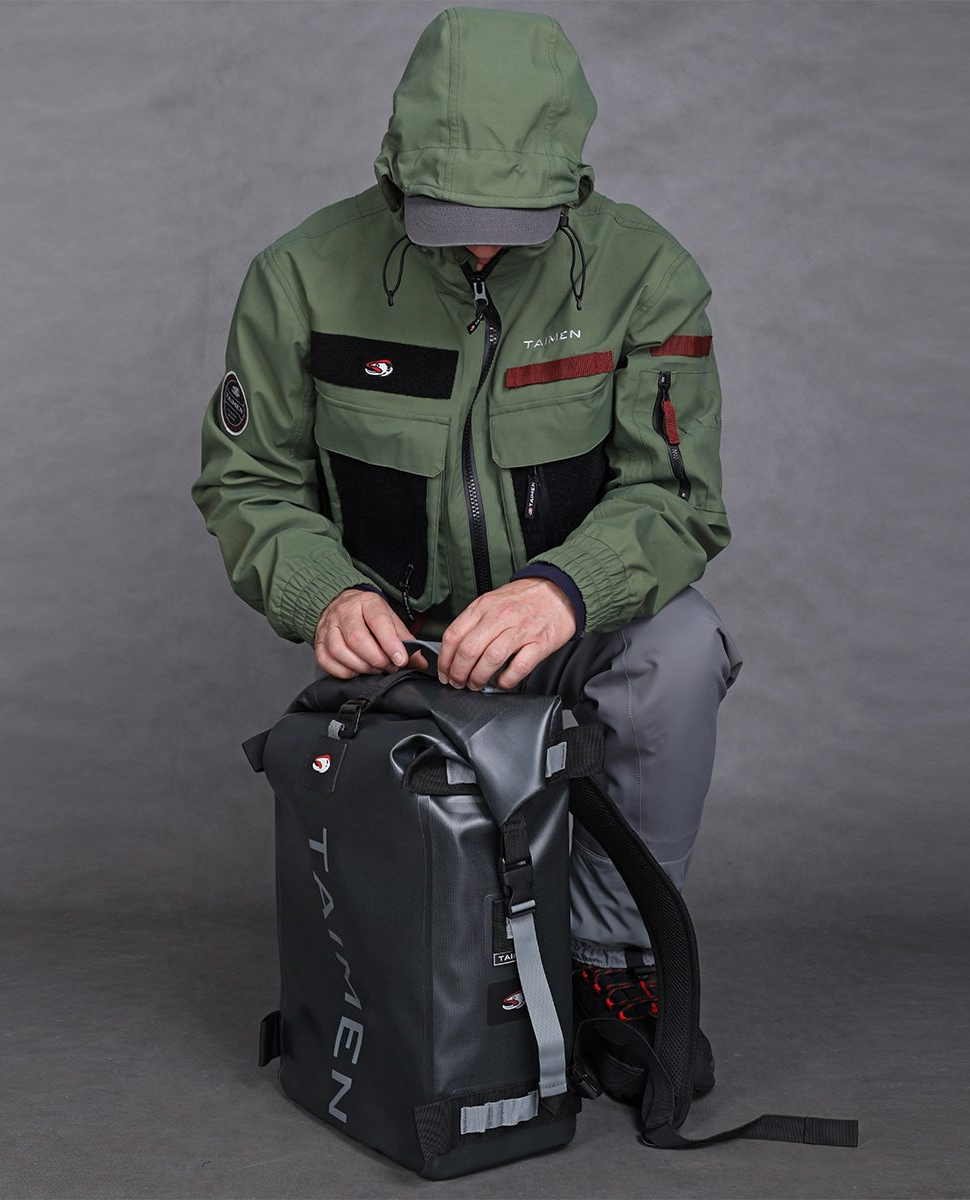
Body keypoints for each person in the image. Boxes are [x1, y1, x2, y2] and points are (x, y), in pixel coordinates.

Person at [191, 5, 742, 1082]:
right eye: (450, 216)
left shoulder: (645, 274)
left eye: (511, 220)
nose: (481, 243)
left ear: (570, 178)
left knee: (682, 650)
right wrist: (325, 594)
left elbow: (677, 497)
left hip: (568, 626)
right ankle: (424, 973)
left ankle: (611, 962)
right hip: (402, 653)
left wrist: (566, 589)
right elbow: (247, 482)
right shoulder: (300, 276)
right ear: (397, 169)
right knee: (432, 952)